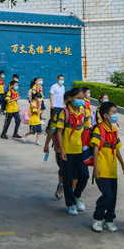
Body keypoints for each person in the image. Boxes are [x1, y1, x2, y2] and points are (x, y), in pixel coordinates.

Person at [90, 101, 124, 232]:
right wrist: (95, 168)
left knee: (113, 197)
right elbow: (95, 149)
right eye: (113, 113)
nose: (115, 115)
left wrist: (122, 164)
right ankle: (98, 217)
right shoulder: (99, 129)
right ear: (105, 115)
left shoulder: (114, 130)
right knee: (107, 195)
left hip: (112, 169)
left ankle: (109, 219)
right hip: (102, 168)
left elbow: (116, 149)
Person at [54, 87, 90, 215]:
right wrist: (62, 149)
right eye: (79, 98)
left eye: (83, 98)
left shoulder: (84, 112)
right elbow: (58, 132)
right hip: (68, 151)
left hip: (81, 150)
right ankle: (70, 204)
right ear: (70, 99)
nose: (82, 101)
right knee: (68, 179)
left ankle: (77, 195)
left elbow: (87, 130)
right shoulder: (64, 113)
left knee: (85, 175)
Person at [44, 74, 67, 198]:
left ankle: (75, 196)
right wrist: (47, 144)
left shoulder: (75, 114)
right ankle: (61, 185)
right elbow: (53, 130)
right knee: (63, 169)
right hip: (60, 148)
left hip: (74, 148)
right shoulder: (54, 86)